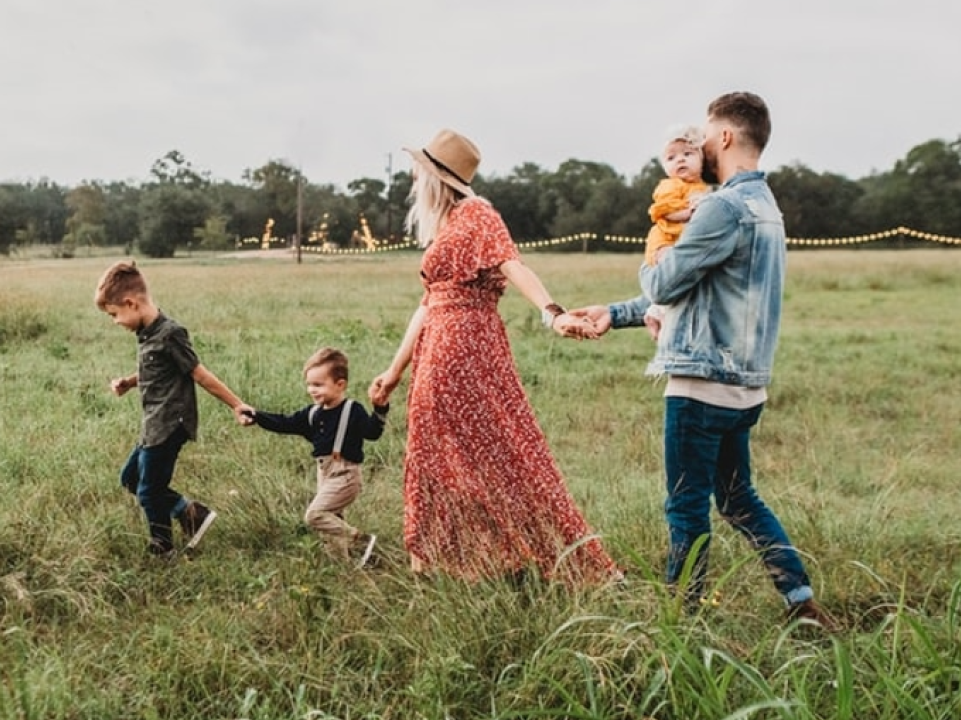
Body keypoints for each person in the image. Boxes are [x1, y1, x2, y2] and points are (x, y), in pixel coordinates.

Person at [564, 92, 835, 628]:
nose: (701, 145)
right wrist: (614, 313)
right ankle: (800, 602)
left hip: (701, 384)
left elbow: (665, 283)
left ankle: (680, 623)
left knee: (686, 507)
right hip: (745, 386)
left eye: (706, 136)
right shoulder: (766, 207)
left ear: (726, 137)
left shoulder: (721, 207)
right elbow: (699, 291)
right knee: (738, 499)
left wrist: (655, 255)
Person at [367, 128, 618, 583]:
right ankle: (447, 560)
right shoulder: (446, 225)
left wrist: (552, 313)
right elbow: (427, 304)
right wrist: (394, 370)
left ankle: (517, 556)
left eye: (419, 170)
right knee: (437, 453)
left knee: (497, 452)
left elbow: (512, 264)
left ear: (437, 177)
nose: (413, 179)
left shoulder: (477, 214)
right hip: (438, 346)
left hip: (464, 346)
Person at [95, 260, 253, 557]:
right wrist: (129, 382)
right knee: (130, 478)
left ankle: (163, 548)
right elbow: (157, 368)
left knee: (149, 491)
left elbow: (199, 374)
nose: (115, 321)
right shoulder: (147, 333)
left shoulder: (170, 333)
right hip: (153, 424)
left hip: (170, 424)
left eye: (114, 314)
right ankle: (191, 514)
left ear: (131, 303)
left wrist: (236, 404)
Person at [242, 347, 387, 568]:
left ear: (340, 384)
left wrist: (380, 408)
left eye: (318, 385)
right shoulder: (313, 413)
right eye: (309, 384)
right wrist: (256, 416)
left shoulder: (352, 410)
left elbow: (372, 433)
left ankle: (360, 541)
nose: (312, 390)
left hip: (346, 474)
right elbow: (285, 423)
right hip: (324, 473)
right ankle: (341, 567)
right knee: (331, 525)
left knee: (315, 515)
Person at [643, 125, 710, 340]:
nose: (680, 160)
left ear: (701, 159)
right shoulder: (670, 185)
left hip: (681, 240)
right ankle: (659, 313)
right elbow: (664, 211)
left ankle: (657, 311)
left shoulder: (703, 187)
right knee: (672, 270)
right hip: (665, 239)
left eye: (688, 154)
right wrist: (688, 213)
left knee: (685, 278)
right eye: (671, 158)